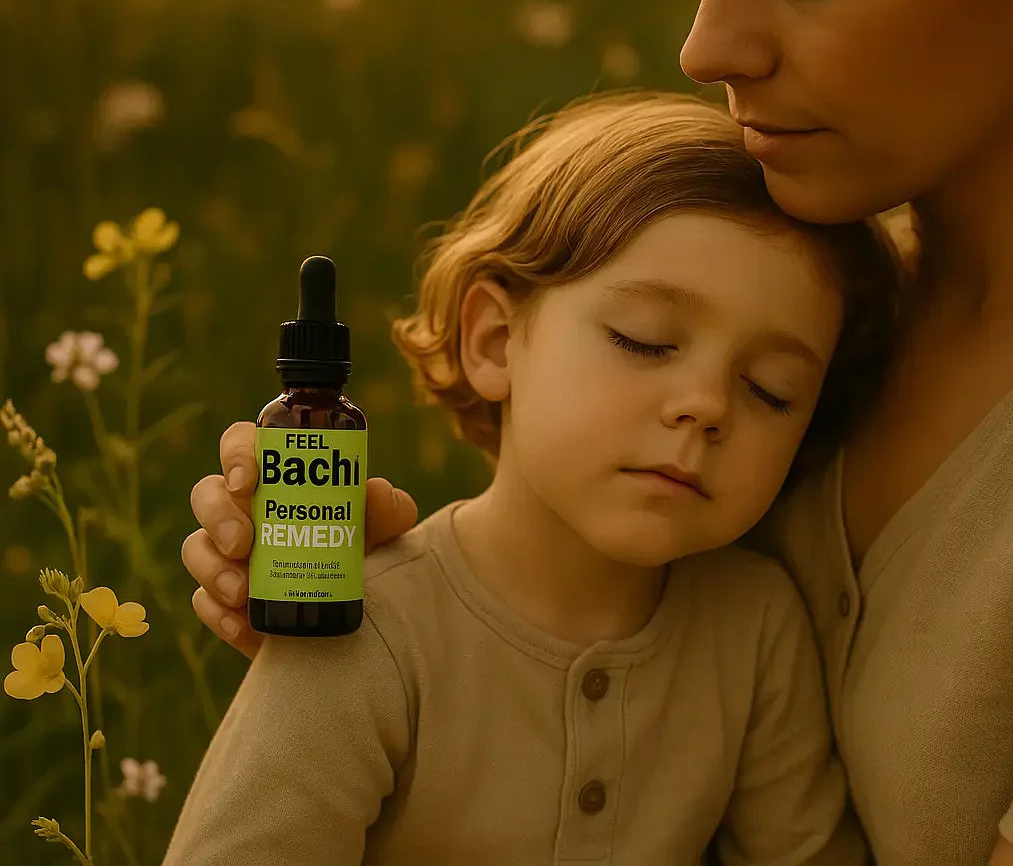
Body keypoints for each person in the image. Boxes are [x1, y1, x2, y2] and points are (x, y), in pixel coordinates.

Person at [183, 0, 1013, 862]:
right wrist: (414, 629)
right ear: (494, 336)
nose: (703, 44)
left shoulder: (803, 355)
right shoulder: (817, 293)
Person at [165, 93, 899, 864]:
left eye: (771, 390)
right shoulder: (362, 632)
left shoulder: (755, 629)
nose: (707, 407)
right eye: (644, 341)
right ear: (493, 340)